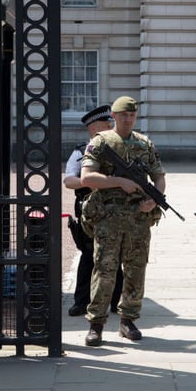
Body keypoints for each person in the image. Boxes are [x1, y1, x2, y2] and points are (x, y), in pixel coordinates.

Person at [79, 95, 165, 346]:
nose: (128, 119)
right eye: (123, 115)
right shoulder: (101, 142)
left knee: (136, 270)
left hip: (139, 218)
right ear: (114, 117)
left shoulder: (144, 143)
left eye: (132, 115)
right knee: (104, 270)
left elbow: (159, 176)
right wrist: (118, 181)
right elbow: (87, 178)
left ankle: (128, 320)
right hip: (108, 218)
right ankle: (96, 324)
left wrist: (155, 199)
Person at [62, 104, 123, 317]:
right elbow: (69, 181)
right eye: (105, 124)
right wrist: (91, 181)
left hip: (116, 211)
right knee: (88, 255)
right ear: (92, 129)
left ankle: (117, 302)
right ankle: (81, 301)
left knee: (116, 254)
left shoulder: (121, 149)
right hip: (90, 212)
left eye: (110, 123)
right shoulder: (80, 152)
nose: (110, 125)